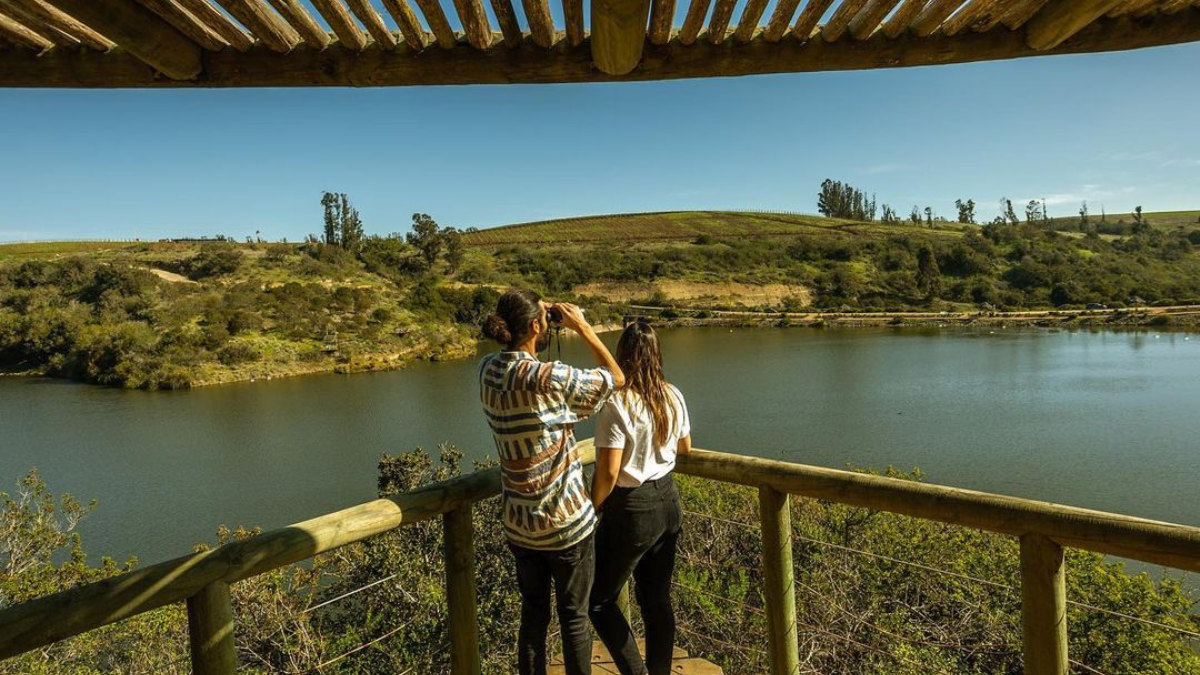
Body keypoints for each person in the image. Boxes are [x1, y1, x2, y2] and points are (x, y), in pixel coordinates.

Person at [478, 289, 625, 675]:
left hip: (521, 525)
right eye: (543, 317)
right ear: (533, 326)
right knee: (574, 619)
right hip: (565, 524)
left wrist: (539, 320)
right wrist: (583, 327)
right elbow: (616, 379)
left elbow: (536, 390)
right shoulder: (549, 376)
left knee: (533, 619)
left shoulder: (487, 371)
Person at [588, 320, 691, 675]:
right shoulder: (672, 394)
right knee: (656, 598)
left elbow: (609, 472)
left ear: (623, 355)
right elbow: (685, 447)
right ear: (656, 355)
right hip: (669, 501)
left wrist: (594, 507)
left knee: (598, 599)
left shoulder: (617, 403)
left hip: (633, 507)